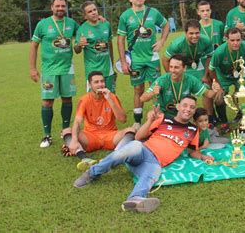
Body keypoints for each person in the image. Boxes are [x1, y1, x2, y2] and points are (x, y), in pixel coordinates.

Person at [73, 95, 214, 213]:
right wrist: (150, 120)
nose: (188, 109)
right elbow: (139, 136)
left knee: (153, 174)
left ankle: (135, 199)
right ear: (178, 107)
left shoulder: (192, 130)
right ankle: (91, 173)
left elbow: (191, 151)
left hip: (155, 162)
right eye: (185, 105)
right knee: (132, 147)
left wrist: (203, 156)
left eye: (192, 107)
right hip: (142, 150)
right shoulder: (164, 118)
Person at [29, 0, 79, 148]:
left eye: (63, 6)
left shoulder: (72, 24)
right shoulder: (43, 24)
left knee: (67, 99)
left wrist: (100, 19)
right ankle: (47, 135)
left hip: (67, 68)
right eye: (57, 6)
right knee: (47, 101)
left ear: (66, 7)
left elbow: (80, 42)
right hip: (49, 69)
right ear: (52, 7)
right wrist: (32, 68)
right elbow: (34, 46)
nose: (60, 8)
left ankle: (65, 130)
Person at [117, 0, 170, 129]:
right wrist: (123, 62)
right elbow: (120, 40)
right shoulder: (125, 16)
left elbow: (166, 26)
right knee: (138, 89)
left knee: (156, 89)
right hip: (136, 60)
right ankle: (137, 121)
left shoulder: (153, 12)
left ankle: (159, 120)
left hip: (152, 58)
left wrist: (162, 41)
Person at [63, 71, 135, 171]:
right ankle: (84, 158)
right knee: (67, 131)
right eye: (96, 82)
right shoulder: (84, 99)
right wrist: (74, 140)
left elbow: (122, 119)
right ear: (90, 84)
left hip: (110, 136)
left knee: (131, 130)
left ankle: (112, 157)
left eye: (102, 81)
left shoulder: (112, 97)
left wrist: (109, 99)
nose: (100, 84)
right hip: (90, 137)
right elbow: (77, 122)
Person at [208, 28, 245, 133]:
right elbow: (211, 69)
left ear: (241, 39)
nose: (235, 43)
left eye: (238, 40)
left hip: (241, 75)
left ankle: (244, 120)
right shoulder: (220, 51)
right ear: (227, 39)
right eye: (232, 40)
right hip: (223, 76)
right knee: (218, 97)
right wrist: (217, 83)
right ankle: (224, 123)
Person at [141, 54, 222, 117]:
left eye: (176, 67)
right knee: (151, 114)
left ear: (184, 68)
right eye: (171, 67)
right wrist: (152, 93)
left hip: (184, 114)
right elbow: (142, 98)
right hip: (164, 114)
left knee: (199, 116)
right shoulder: (162, 80)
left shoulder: (190, 80)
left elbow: (207, 94)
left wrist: (215, 90)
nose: (172, 70)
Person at [75, 1, 116, 92]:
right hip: (92, 70)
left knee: (110, 97)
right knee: (94, 99)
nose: (94, 12)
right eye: (90, 11)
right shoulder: (82, 29)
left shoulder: (105, 24)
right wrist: (79, 45)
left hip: (108, 70)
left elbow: (110, 44)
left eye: (95, 10)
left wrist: (112, 65)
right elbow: (77, 50)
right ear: (85, 16)